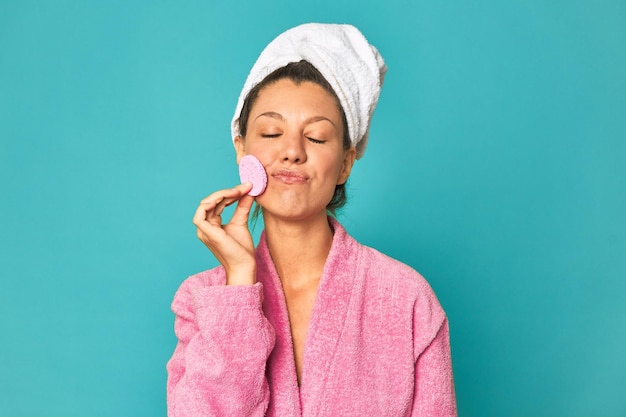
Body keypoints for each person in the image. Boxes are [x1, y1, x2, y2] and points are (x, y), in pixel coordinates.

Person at [166, 23, 457, 417]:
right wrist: (237, 284)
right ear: (242, 150)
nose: (292, 151)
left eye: (317, 137)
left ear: (345, 164)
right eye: (271, 132)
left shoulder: (407, 299)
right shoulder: (202, 300)